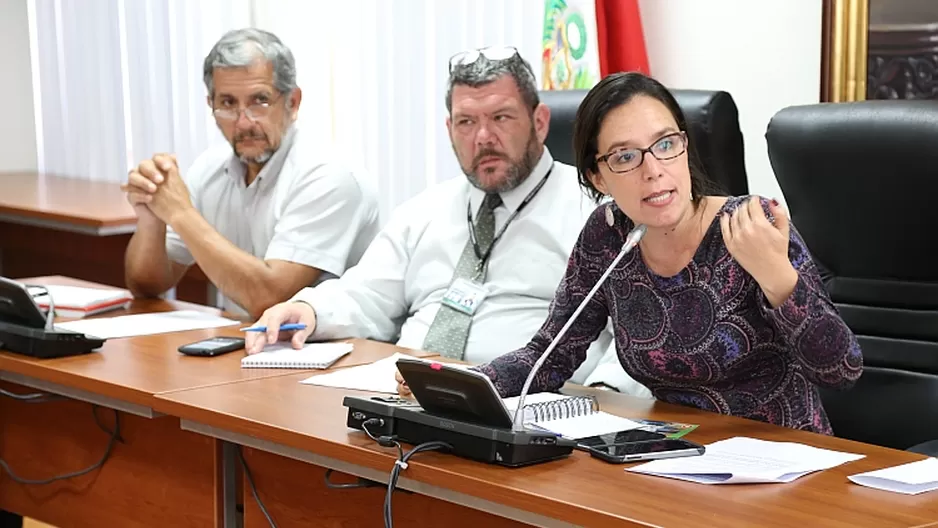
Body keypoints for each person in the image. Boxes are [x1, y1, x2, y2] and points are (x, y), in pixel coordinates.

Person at [472, 72, 863, 434]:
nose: (653, 169)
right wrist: (462, 385)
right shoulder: (607, 236)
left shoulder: (750, 225)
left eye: (665, 144)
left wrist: (778, 278)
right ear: (597, 176)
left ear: (684, 145)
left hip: (789, 463)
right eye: (625, 156)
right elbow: (550, 356)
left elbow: (842, 371)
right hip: (678, 458)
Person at [245, 47, 647, 395]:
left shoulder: (598, 215)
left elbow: (634, 336)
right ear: (449, 129)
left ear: (540, 121)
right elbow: (367, 293)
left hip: (528, 406)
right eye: (467, 122)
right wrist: (308, 309)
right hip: (409, 396)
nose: (484, 137)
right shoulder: (425, 210)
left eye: (502, 118)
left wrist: (601, 400)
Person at [123, 29, 380, 319]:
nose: (244, 122)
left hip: (335, 352)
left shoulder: (329, 175)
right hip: (246, 344)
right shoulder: (209, 169)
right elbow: (146, 285)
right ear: (212, 106)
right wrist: (151, 218)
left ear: (292, 102)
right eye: (228, 103)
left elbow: (269, 298)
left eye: (260, 100)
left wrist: (180, 213)